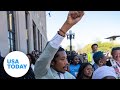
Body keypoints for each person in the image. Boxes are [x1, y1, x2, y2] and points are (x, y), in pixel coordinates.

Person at [34, 11, 84, 79]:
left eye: (66, 58)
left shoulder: (70, 77)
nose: (66, 62)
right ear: (51, 62)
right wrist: (66, 27)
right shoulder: (42, 73)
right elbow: (46, 57)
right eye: (62, 59)